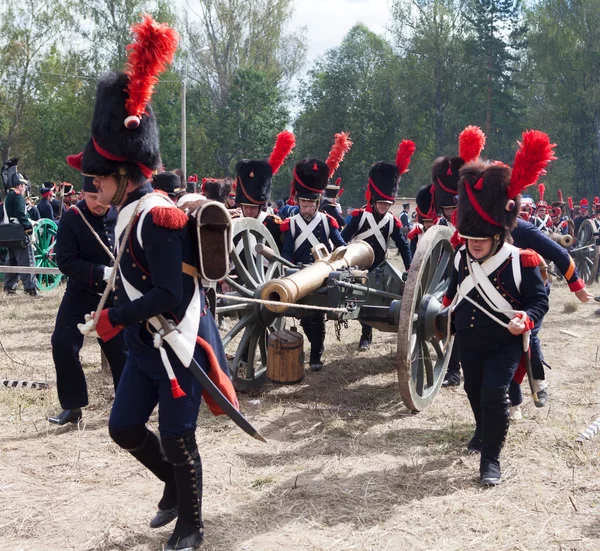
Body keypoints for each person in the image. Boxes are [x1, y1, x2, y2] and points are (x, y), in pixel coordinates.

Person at [70, 15, 233, 550]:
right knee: (122, 427)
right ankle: (171, 487)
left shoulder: (158, 217)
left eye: (99, 177)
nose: (93, 185)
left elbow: (171, 295)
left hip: (179, 343)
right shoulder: (128, 211)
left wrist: (114, 316)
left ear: (124, 175)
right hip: (147, 345)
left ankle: (192, 525)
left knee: (179, 436)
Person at [441, 129, 553, 485]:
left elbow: (539, 301)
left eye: (480, 239)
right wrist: (442, 312)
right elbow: (453, 288)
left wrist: (527, 317)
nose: (473, 245)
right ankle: (482, 431)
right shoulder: (460, 256)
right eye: (469, 238)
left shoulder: (524, 261)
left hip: (505, 341)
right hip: (469, 341)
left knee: (494, 393)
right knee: (474, 391)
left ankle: (491, 459)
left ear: (497, 234)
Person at [48, 176, 127, 425]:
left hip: (114, 299)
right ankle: (73, 407)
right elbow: (66, 261)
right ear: (83, 194)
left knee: (122, 354)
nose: (97, 203)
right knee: (63, 345)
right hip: (80, 295)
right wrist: (101, 273)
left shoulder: (119, 214)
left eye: (100, 196)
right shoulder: (72, 218)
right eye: (91, 198)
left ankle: (127, 406)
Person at [342, 140, 415, 351]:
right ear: (373, 200)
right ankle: (365, 336)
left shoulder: (392, 221)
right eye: (381, 203)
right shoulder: (359, 217)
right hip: (358, 265)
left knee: (375, 301)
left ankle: (369, 334)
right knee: (362, 301)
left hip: (380, 267)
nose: (384, 207)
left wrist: (409, 266)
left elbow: (403, 246)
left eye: (387, 204)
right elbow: (343, 237)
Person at [281, 156, 346, 371]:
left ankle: (316, 354)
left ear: (318, 203)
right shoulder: (290, 224)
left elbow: (340, 246)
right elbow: (287, 252)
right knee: (304, 318)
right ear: (297, 201)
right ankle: (315, 345)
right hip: (297, 274)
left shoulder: (327, 221)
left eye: (310, 204)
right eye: (303, 203)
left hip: (322, 276)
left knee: (316, 317)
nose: (306, 208)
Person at [233, 131, 296, 249]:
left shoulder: (274, 225)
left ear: (260, 207)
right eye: (246, 207)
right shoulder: (233, 223)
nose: (249, 211)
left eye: (252, 207)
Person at [2, 169, 38, 296]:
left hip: (9, 232)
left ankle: (9, 287)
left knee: (11, 261)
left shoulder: (7, 197)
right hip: (19, 232)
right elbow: (21, 215)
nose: (24, 188)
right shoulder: (17, 197)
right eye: (23, 185)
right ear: (20, 185)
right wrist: (29, 228)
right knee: (27, 260)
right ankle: (30, 288)